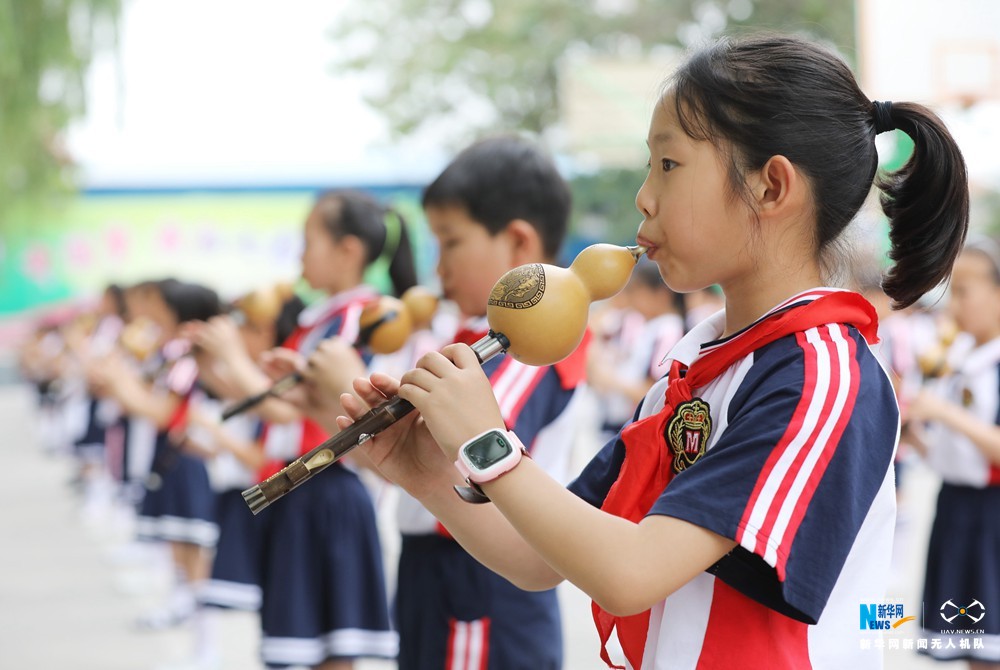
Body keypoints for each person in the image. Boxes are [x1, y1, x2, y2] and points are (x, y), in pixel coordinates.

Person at [339, 33, 969, 669]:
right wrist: (425, 472)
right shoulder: (695, 362)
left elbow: (631, 573)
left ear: (772, 187)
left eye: (667, 165)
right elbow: (538, 559)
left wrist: (487, 444)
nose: (644, 196)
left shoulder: (820, 375)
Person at [302, 136, 585, 670]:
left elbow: (454, 461)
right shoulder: (477, 334)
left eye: (450, 243)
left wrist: (347, 382)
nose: (439, 265)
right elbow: (407, 462)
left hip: (482, 578)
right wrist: (326, 404)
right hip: (439, 567)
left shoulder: (532, 341)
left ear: (518, 244)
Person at [192, 190, 409, 670]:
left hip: (323, 485)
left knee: (328, 647)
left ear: (347, 250)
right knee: (303, 644)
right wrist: (222, 369)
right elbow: (290, 403)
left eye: (308, 241)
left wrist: (232, 359)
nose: (300, 255)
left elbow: (297, 413)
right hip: (296, 486)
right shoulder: (327, 318)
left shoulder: (362, 317)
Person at [903, 238, 1000, 669]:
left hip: (992, 518)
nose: (954, 305)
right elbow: (949, 453)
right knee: (965, 643)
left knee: (989, 646)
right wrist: (912, 432)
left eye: (964, 292)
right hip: (956, 510)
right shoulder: (960, 358)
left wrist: (942, 412)